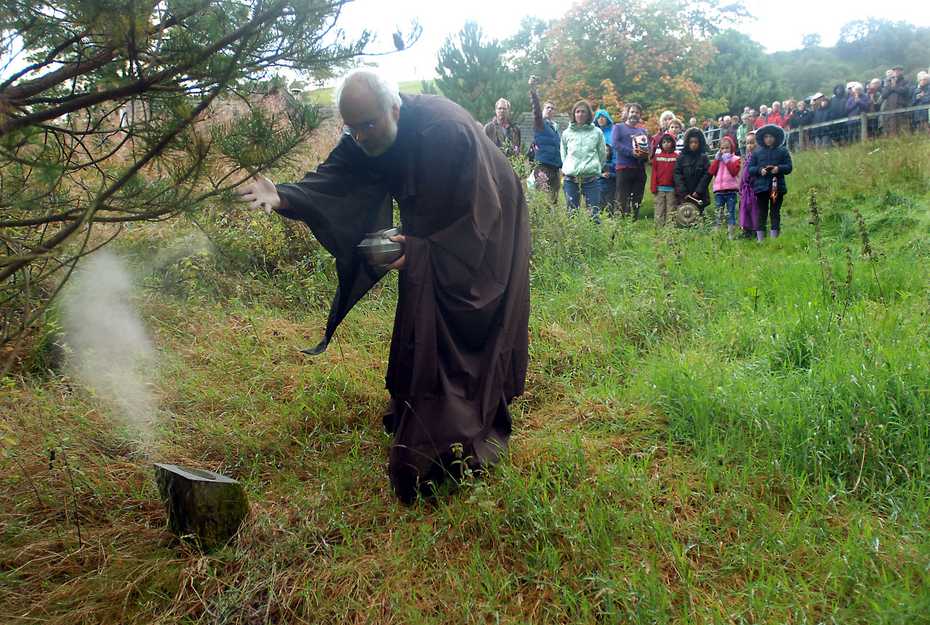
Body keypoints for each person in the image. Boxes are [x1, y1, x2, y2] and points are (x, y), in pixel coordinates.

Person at [236, 70, 530, 503]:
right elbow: (334, 175)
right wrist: (284, 195)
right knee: (422, 310)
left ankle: (462, 425)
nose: (359, 137)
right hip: (430, 235)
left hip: (488, 227)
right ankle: (419, 403)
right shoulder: (366, 130)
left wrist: (424, 251)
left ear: (394, 109)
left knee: (469, 317)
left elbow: (477, 215)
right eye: (350, 129)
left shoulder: (442, 132)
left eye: (367, 126)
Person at [561, 99, 606, 218]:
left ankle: (594, 236)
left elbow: (602, 154)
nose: (580, 114)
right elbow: (564, 154)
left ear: (588, 115)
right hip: (571, 180)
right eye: (577, 112)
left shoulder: (597, 132)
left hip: (591, 180)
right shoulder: (566, 133)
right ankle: (573, 237)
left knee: (594, 215)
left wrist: (595, 167)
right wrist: (568, 168)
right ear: (574, 114)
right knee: (572, 214)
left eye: (583, 112)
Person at [748, 124, 792, 240]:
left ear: (776, 137)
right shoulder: (757, 153)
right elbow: (750, 169)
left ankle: (774, 239)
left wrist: (779, 169)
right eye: (766, 136)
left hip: (777, 188)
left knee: (775, 212)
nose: (769, 139)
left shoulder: (783, 151)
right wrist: (759, 170)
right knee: (762, 212)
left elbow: (789, 167)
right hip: (761, 188)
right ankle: (761, 239)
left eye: (771, 136)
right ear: (762, 138)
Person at [611, 102, 649, 219]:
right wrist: (631, 152)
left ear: (640, 115)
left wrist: (646, 153)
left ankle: (633, 220)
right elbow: (615, 144)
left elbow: (648, 147)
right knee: (622, 197)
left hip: (639, 168)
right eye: (632, 112)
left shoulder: (642, 131)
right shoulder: (618, 127)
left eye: (637, 112)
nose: (634, 114)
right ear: (628, 113)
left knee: (637, 197)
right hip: (624, 167)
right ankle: (619, 222)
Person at [528, 76, 562, 205]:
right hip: (542, 166)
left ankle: (552, 224)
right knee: (541, 200)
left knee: (553, 201)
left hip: (555, 168)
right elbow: (535, 109)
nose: (550, 110)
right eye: (548, 107)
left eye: (552, 109)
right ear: (543, 109)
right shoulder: (539, 123)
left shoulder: (555, 128)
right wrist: (533, 90)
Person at [708, 135, 741, 239]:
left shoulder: (735, 159)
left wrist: (727, 161)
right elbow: (711, 171)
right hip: (719, 190)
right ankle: (718, 232)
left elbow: (734, 172)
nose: (724, 150)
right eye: (722, 148)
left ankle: (731, 233)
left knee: (731, 212)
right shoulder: (719, 159)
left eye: (727, 148)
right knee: (719, 212)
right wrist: (717, 160)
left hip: (731, 190)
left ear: (731, 148)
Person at [674, 127, 711, 215]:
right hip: (685, 193)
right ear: (687, 143)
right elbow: (677, 174)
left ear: (700, 143)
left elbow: (707, 175)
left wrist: (698, 191)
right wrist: (683, 191)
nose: (693, 144)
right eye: (691, 142)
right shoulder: (681, 157)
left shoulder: (704, 157)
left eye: (696, 142)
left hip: (700, 193)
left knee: (699, 215)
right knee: (685, 216)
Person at [650, 133, 678, 227]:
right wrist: (653, 187)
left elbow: (678, 174)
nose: (666, 144)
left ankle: (670, 231)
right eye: (664, 142)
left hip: (672, 189)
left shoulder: (676, 157)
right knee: (659, 209)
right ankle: (659, 231)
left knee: (671, 210)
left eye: (669, 142)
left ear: (673, 143)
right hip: (659, 189)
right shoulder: (657, 157)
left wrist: (678, 188)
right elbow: (654, 173)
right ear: (660, 144)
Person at [593, 108, 617, 214]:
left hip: (611, 164)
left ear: (607, 118)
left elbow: (615, 148)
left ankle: (610, 213)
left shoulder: (613, 131)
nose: (601, 119)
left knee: (610, 194)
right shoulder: (593, 131)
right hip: (596, 165)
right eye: (598, 117)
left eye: (603, 117)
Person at [881, 66, 912, 137]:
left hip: (902, 108)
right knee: (891, 128)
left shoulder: (906, 81)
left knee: (903, 128)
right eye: (895, 71)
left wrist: (894, 87)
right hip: (890, 109)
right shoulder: (888, 83)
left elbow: (905, 91)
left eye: (898, 71)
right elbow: (883, 95)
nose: (896, 72)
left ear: (902, 72)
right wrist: (892, 87)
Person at [738, 131, 759, 237]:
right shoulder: (747, 158)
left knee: (754, 210)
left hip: (754, 189)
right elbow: (743, 174)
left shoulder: (759, 158)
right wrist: (741, 187)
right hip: (746, 189)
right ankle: (746, 230)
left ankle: (756, 230)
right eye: (747, 143)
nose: (749, 146)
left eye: (752, 143)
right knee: (744, 209)